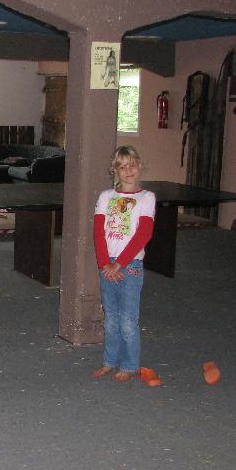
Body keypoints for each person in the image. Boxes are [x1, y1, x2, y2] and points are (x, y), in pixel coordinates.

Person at [91, 145, 155, 383]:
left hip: (131, 266)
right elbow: (99, 232)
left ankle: (129, 365)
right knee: (111, 318)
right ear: (115, 171)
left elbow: (143, 234)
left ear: (140, 166)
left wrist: (119, 265)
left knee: (128, 320)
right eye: (123, 167)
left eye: (132, 165)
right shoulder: (106, 197)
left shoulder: (147, 198)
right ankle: (110, 360)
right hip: (107, 265)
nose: (128, 171)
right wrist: (105, 264)